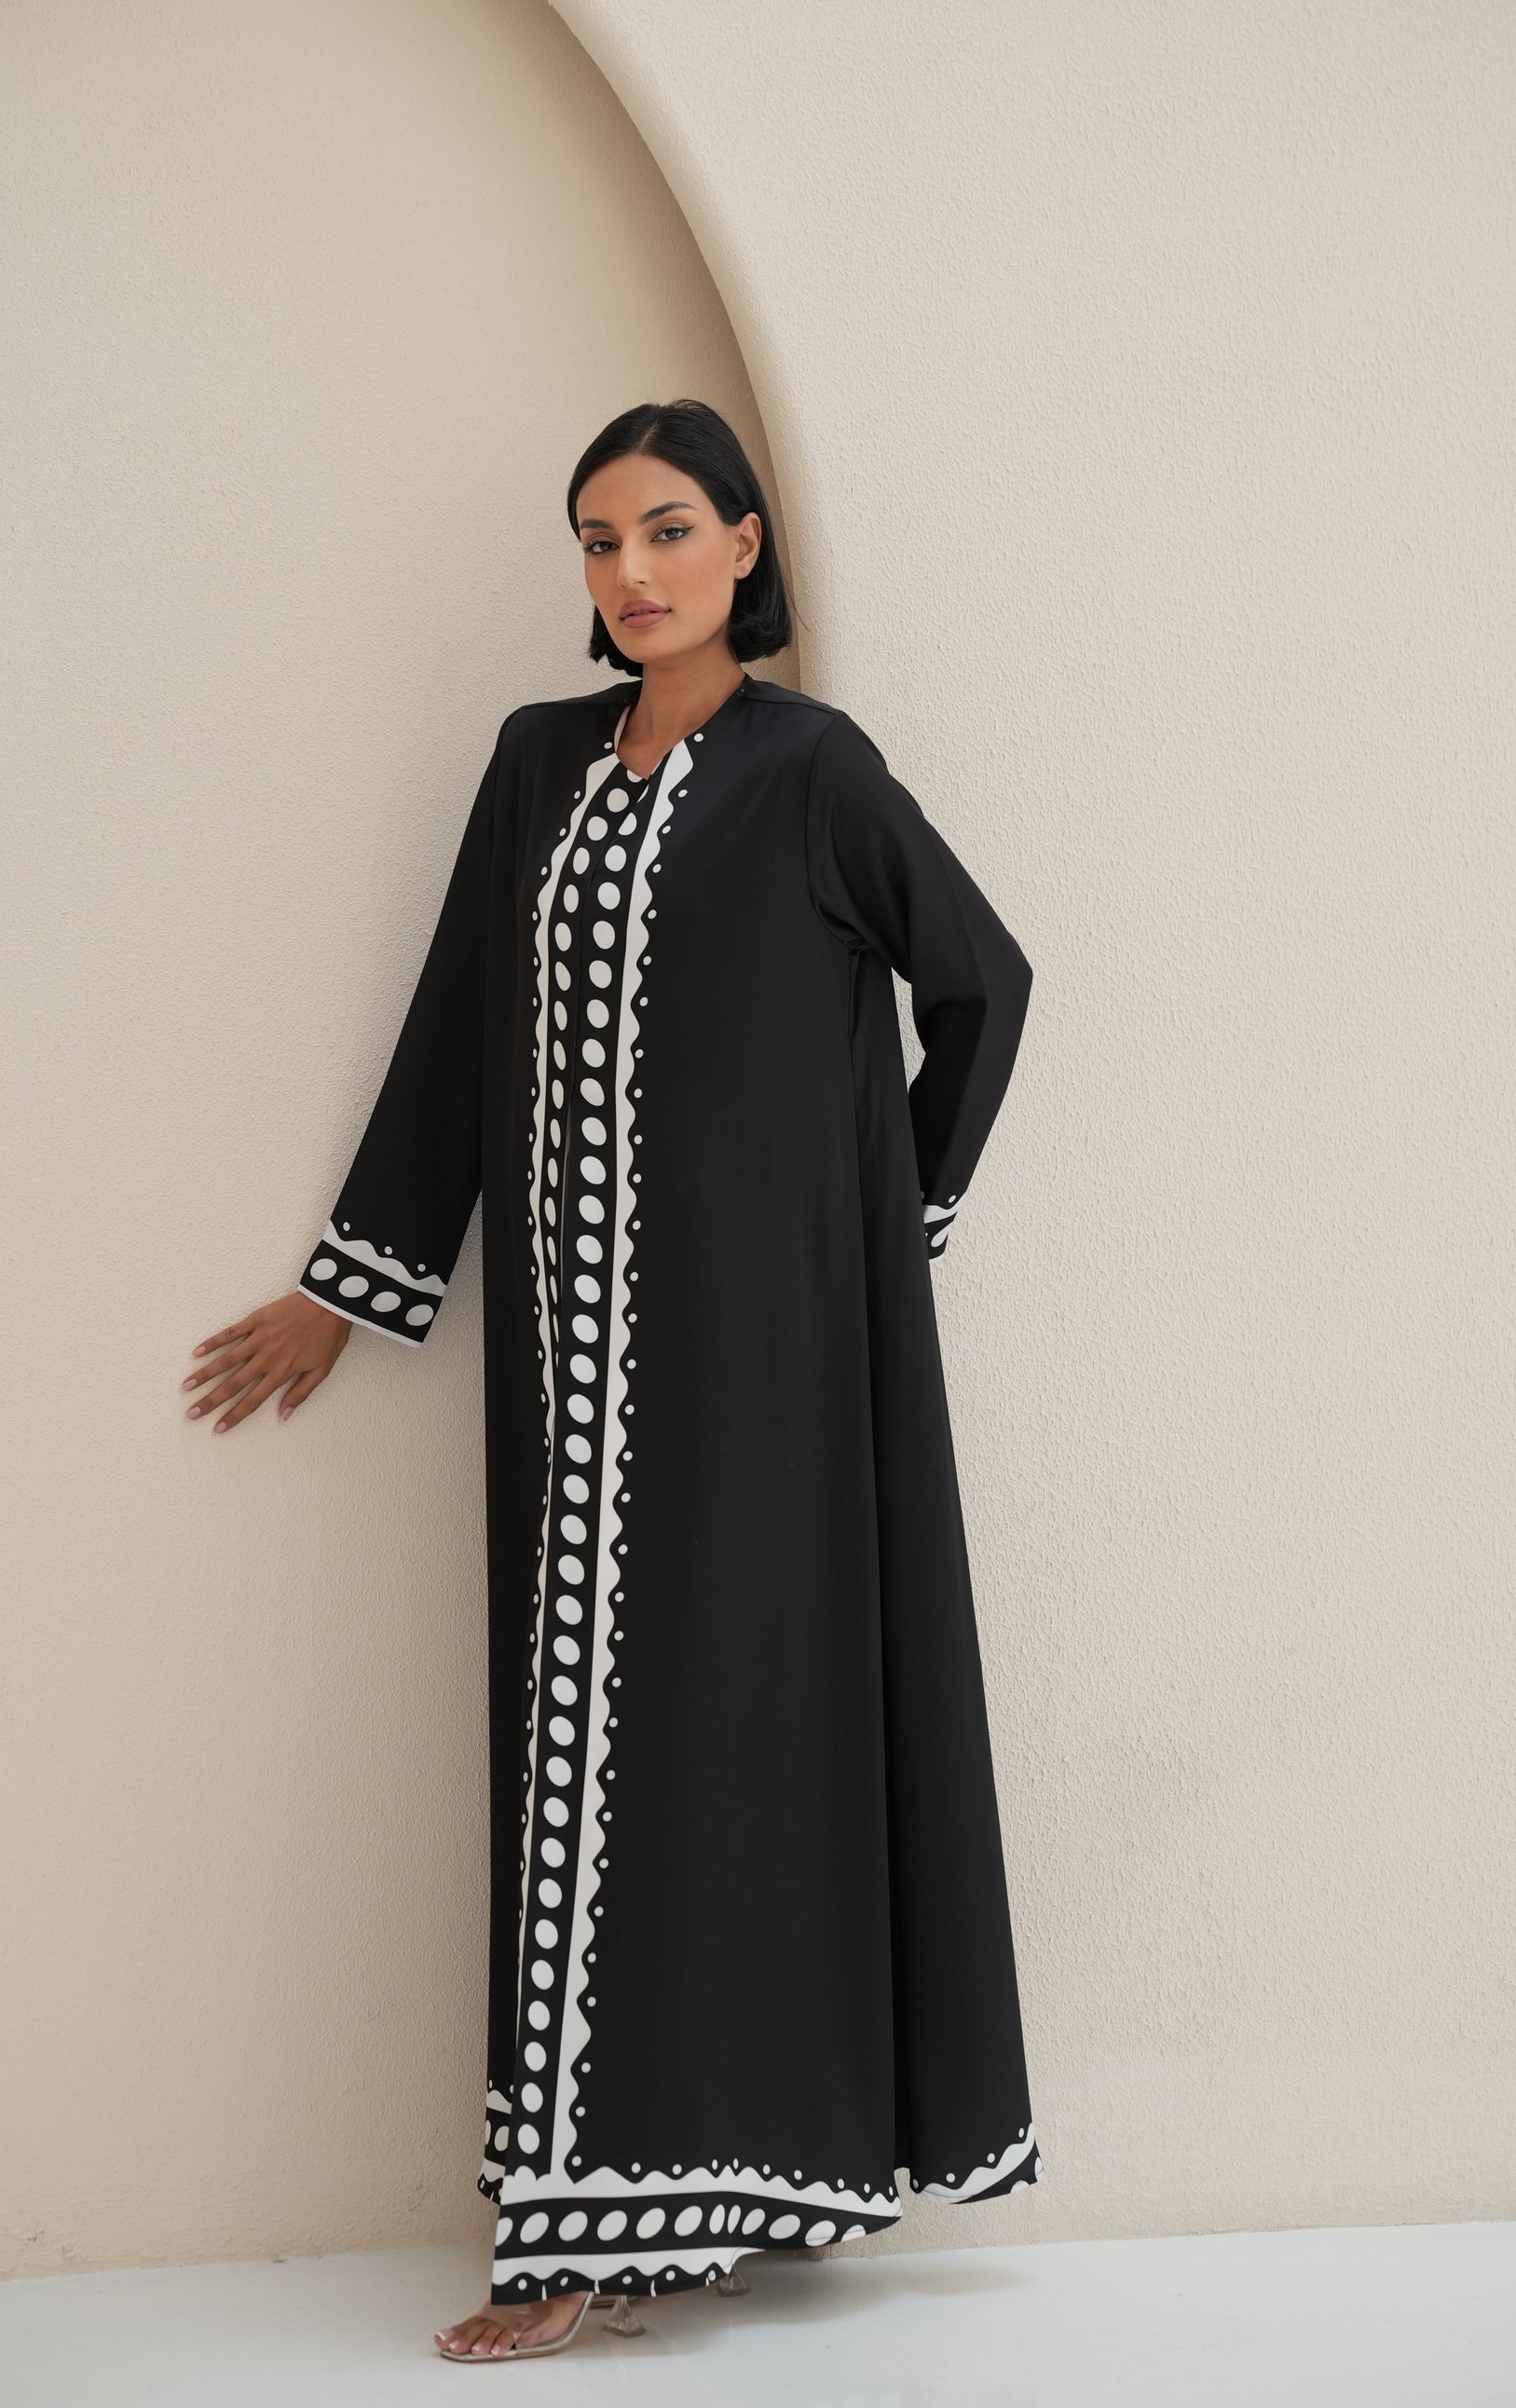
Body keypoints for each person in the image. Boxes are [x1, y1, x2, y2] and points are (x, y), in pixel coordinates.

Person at [184, 399, 1041, 2362]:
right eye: (596, 539)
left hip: (770, 1362)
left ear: (743, 541)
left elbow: (982, 987)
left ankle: (635, 2214)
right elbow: (455, 1034)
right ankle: (622, 2195)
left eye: (664, 529)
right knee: (589, 1737)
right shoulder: (537, 765)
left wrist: (880, 1232)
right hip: (569, 1365)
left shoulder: (813, 771)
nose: (630, 572)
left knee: (745, 1734)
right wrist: (351, 1285)